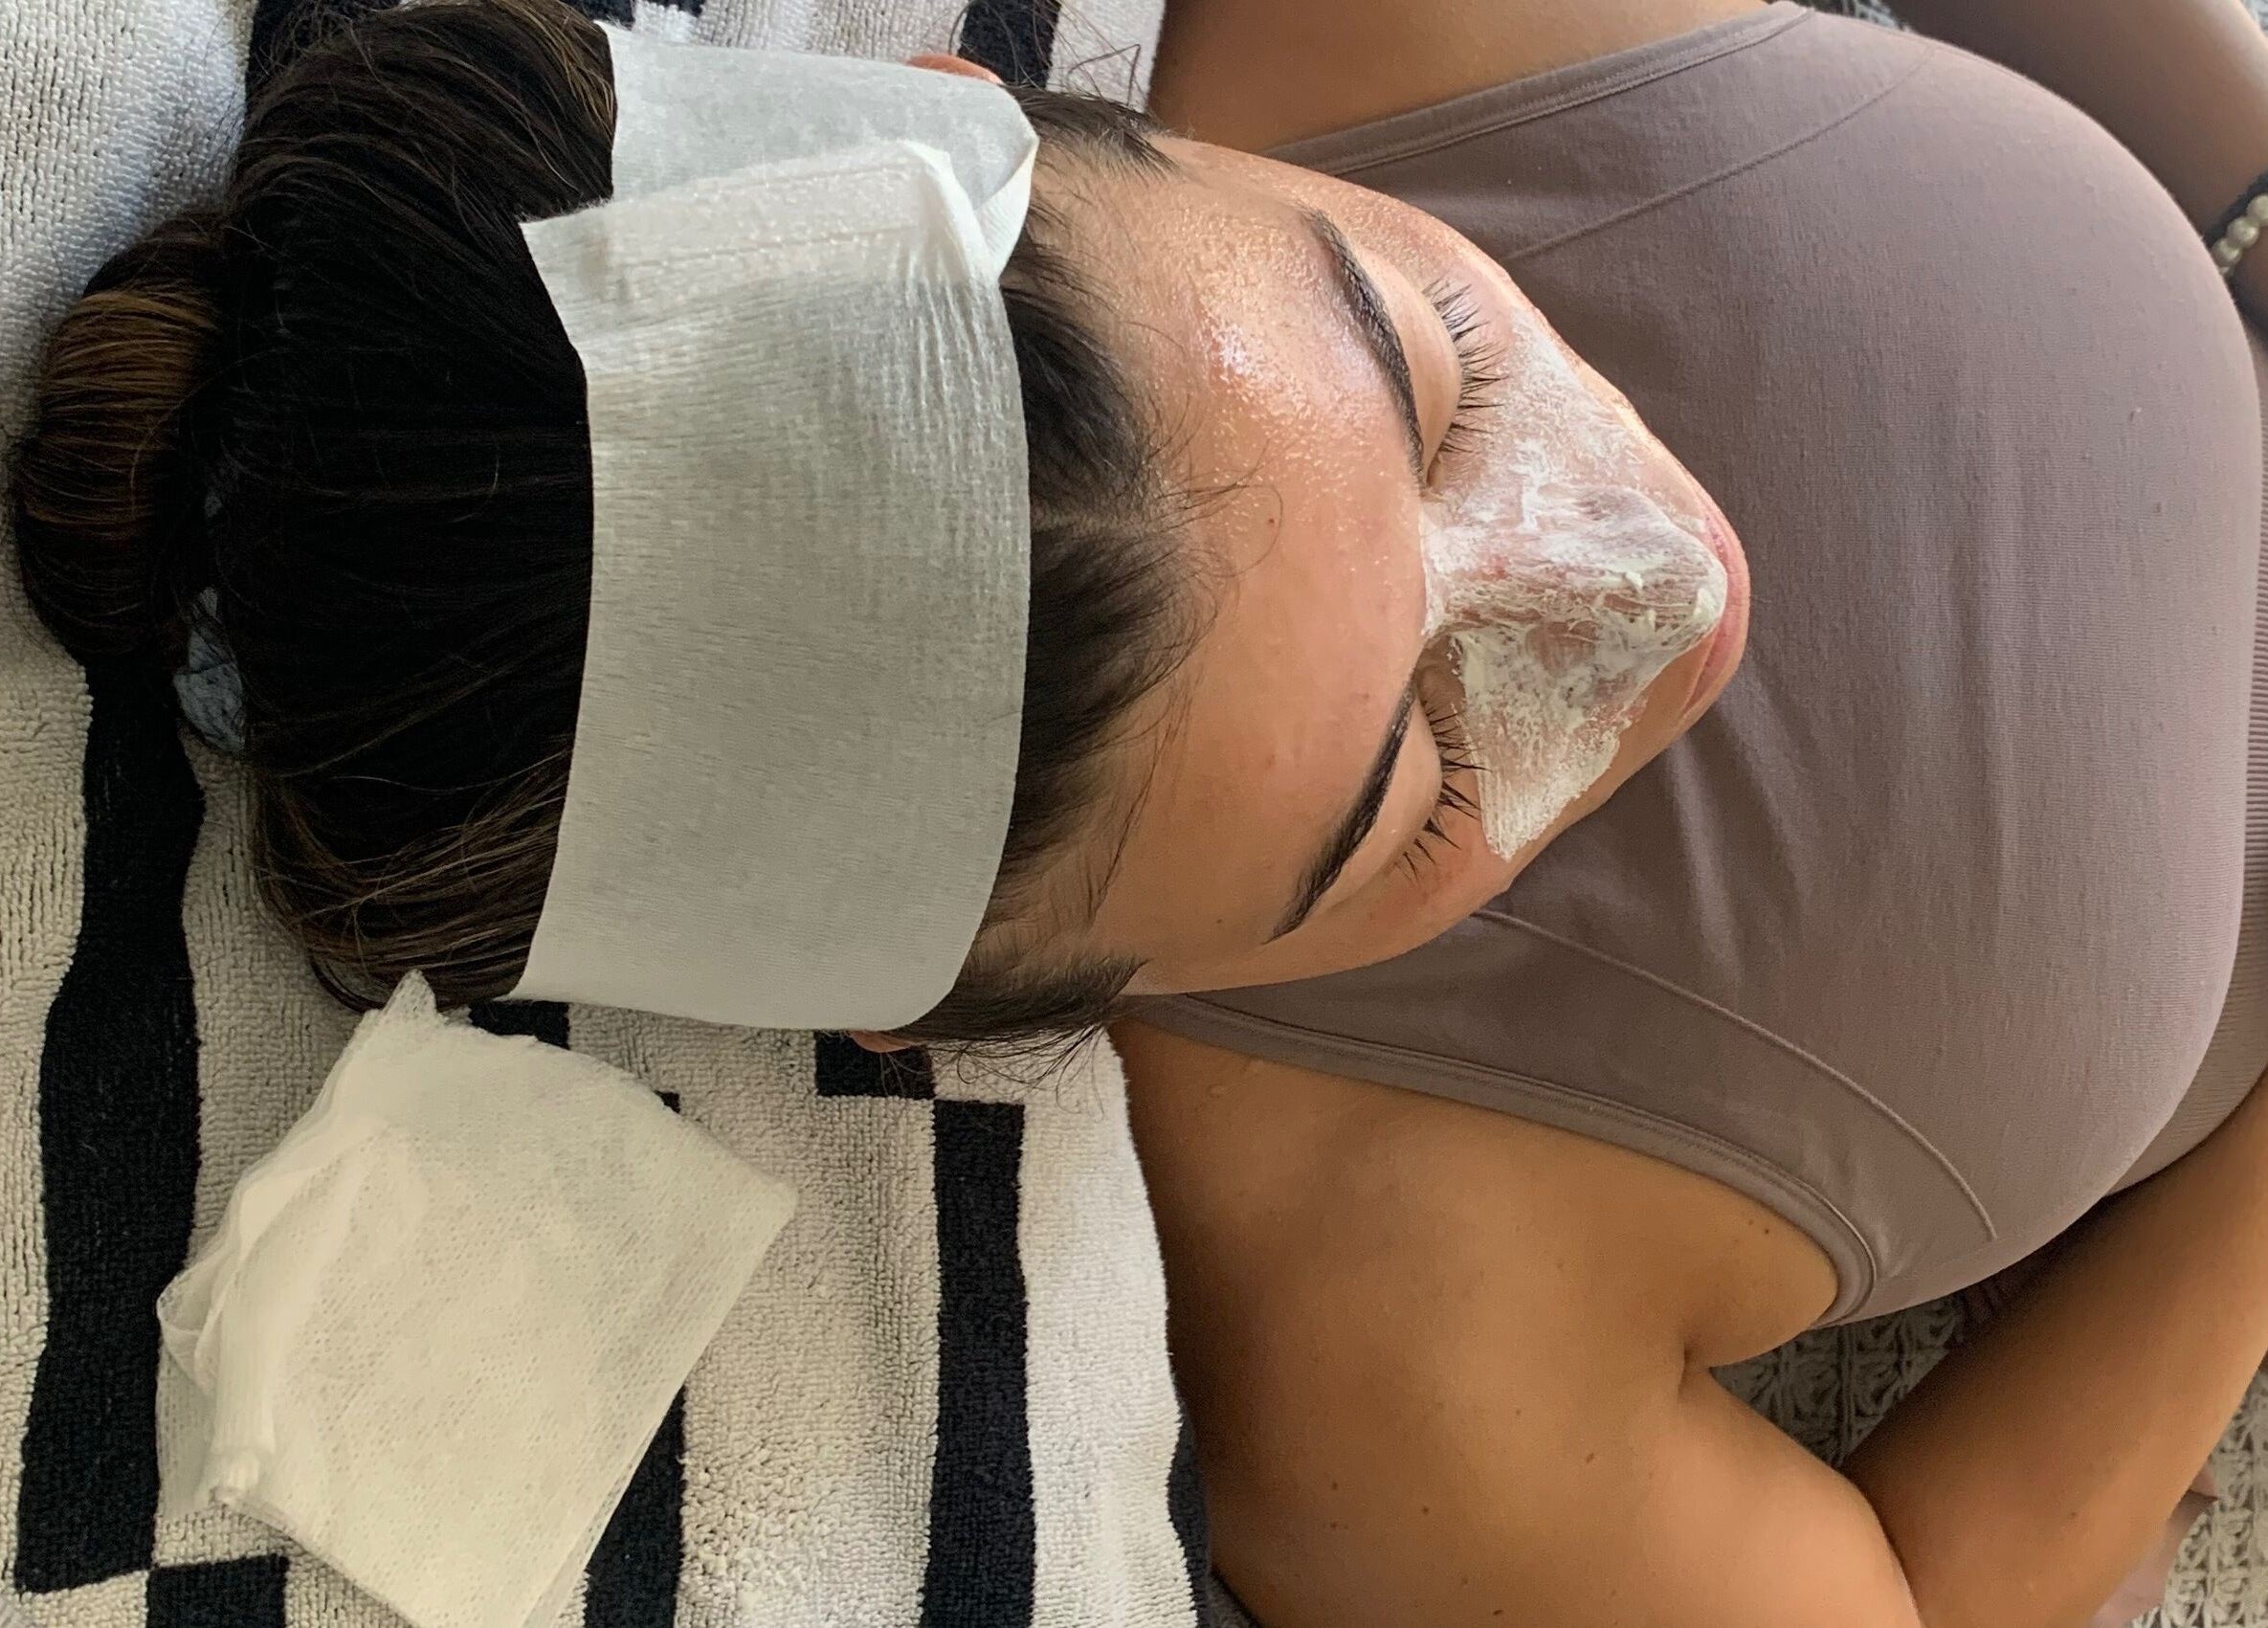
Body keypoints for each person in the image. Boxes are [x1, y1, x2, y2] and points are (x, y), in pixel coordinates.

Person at [4, 0, 2263, 1621]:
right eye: (1419, 775)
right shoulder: (1391, 1366)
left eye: (1437, 382)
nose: (1662, 591)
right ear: (945, 1018)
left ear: (970, 97)